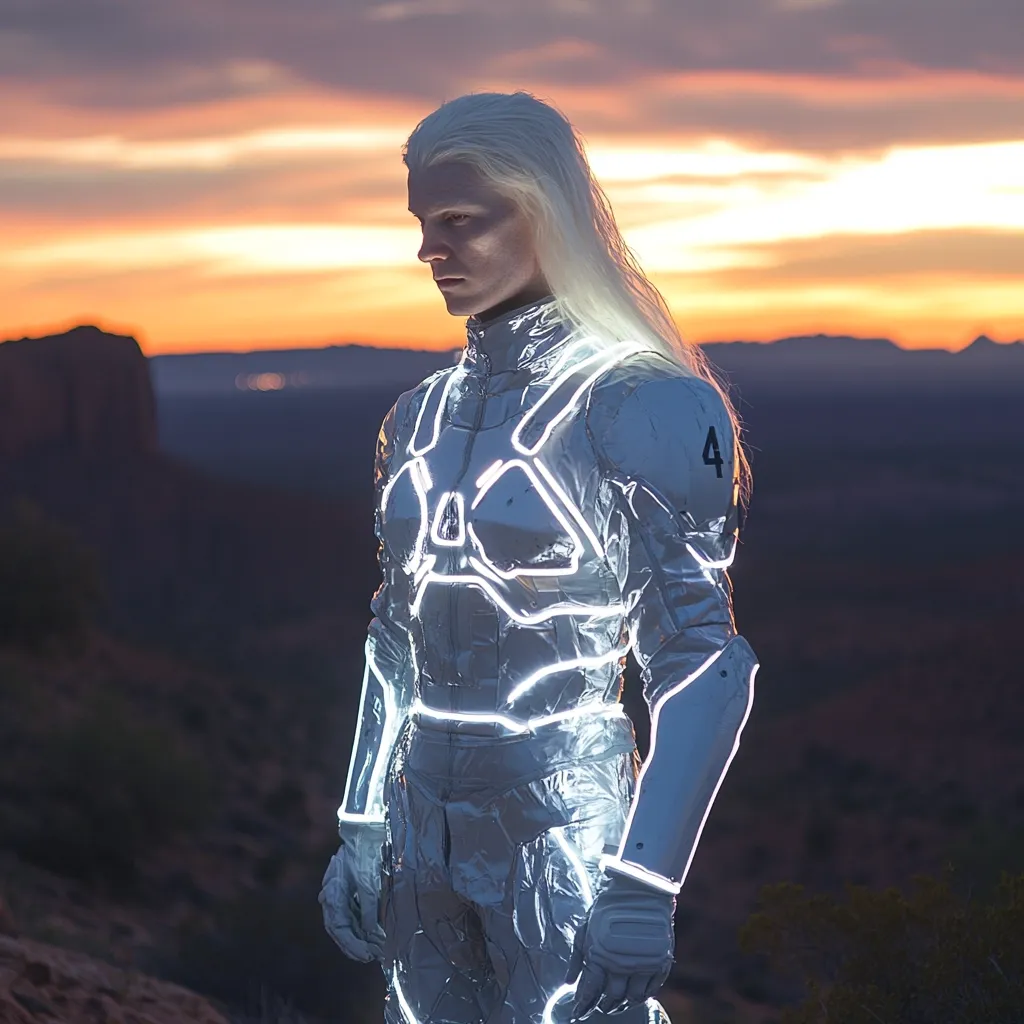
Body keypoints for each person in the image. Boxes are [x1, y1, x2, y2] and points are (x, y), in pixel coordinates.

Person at [320, 91, 760, 1024]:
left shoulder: (645, 406)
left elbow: (702, 664)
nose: (428, 251)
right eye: (421, 223)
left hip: (562, 816)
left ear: (545, 211)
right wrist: (361, 824)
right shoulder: (417, 420)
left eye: (459, 222)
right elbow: (392, 638)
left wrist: (644, 884)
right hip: (417, 819)